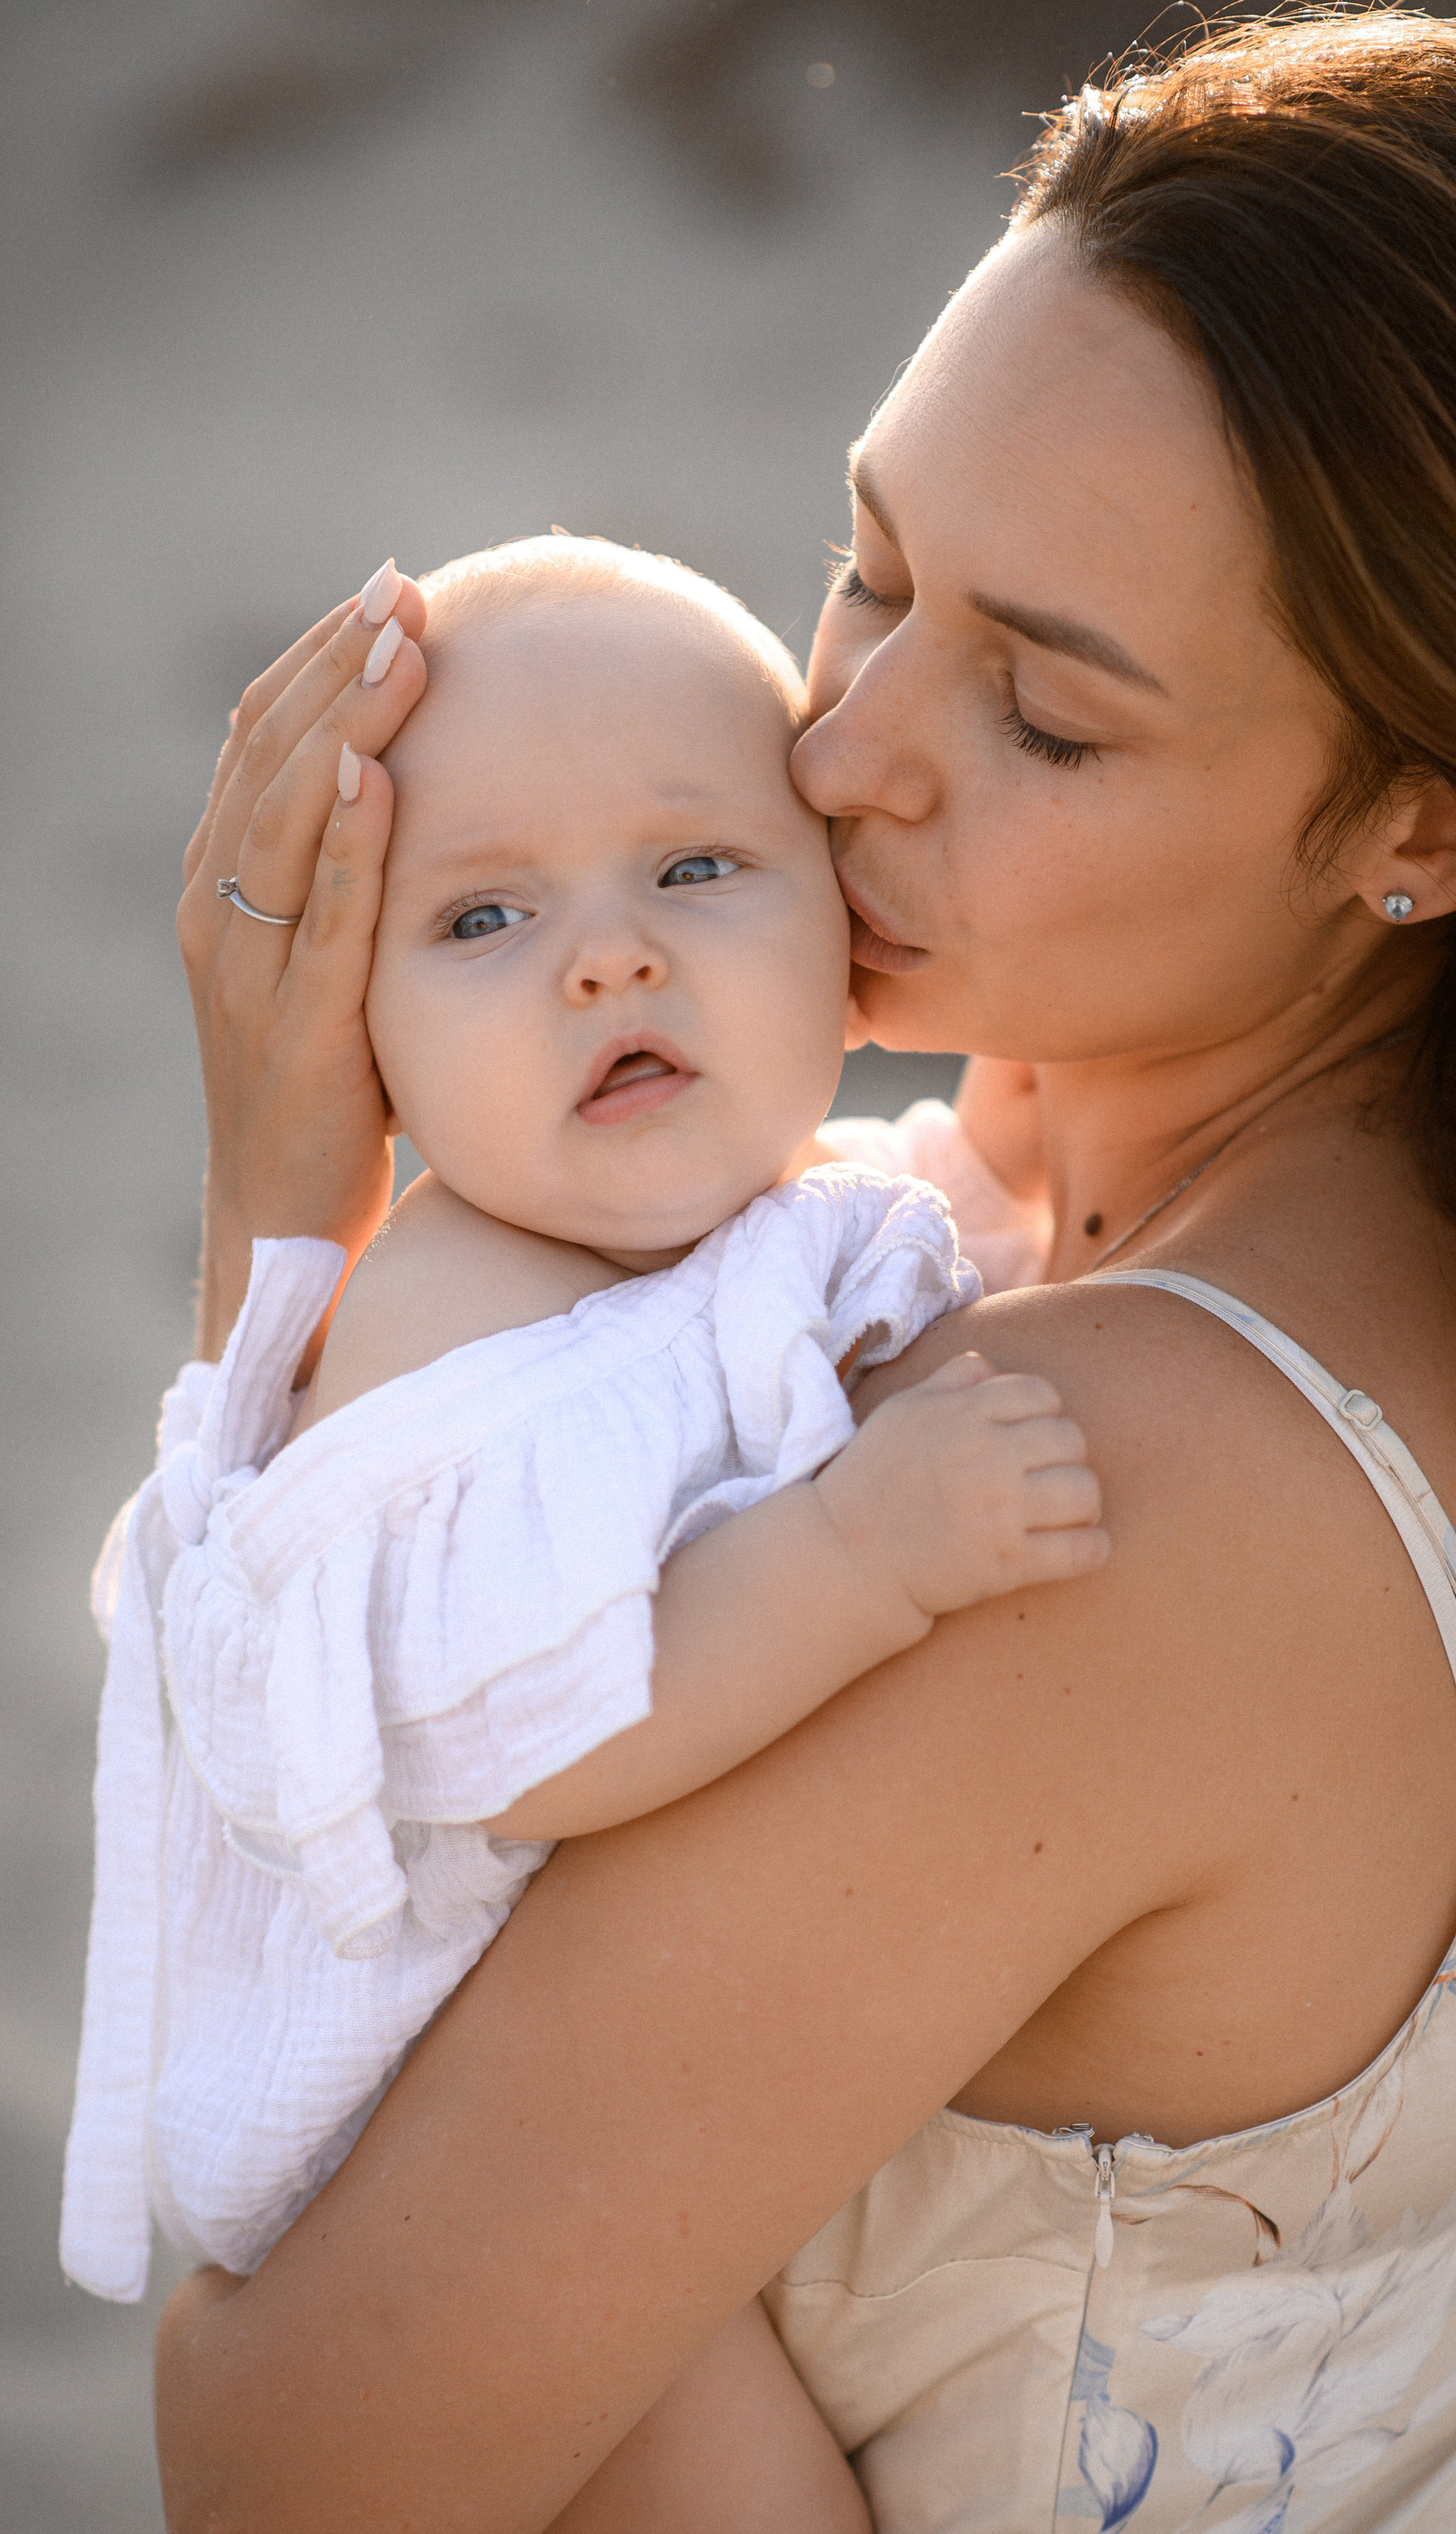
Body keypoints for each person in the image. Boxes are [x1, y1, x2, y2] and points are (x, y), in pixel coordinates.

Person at [147, 14, 1456, 2531]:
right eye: (870, 563)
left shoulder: (1102, 1484)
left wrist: (291, 1225)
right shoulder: (1445, 1287)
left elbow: (291, 2448)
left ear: (1420, 822)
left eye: (1042, 715)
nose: (848, 742)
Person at [61, 534, 1110, 2525]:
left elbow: (898, 1238)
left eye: (696, 870)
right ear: (364, 1040)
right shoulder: (455, 1350)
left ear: (847, 942)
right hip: (428, 2109)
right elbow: (534, 1721)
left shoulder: (764, 1213)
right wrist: (855, 1562)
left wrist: (1030, 1141)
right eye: (483, 918)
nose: (608, 958)